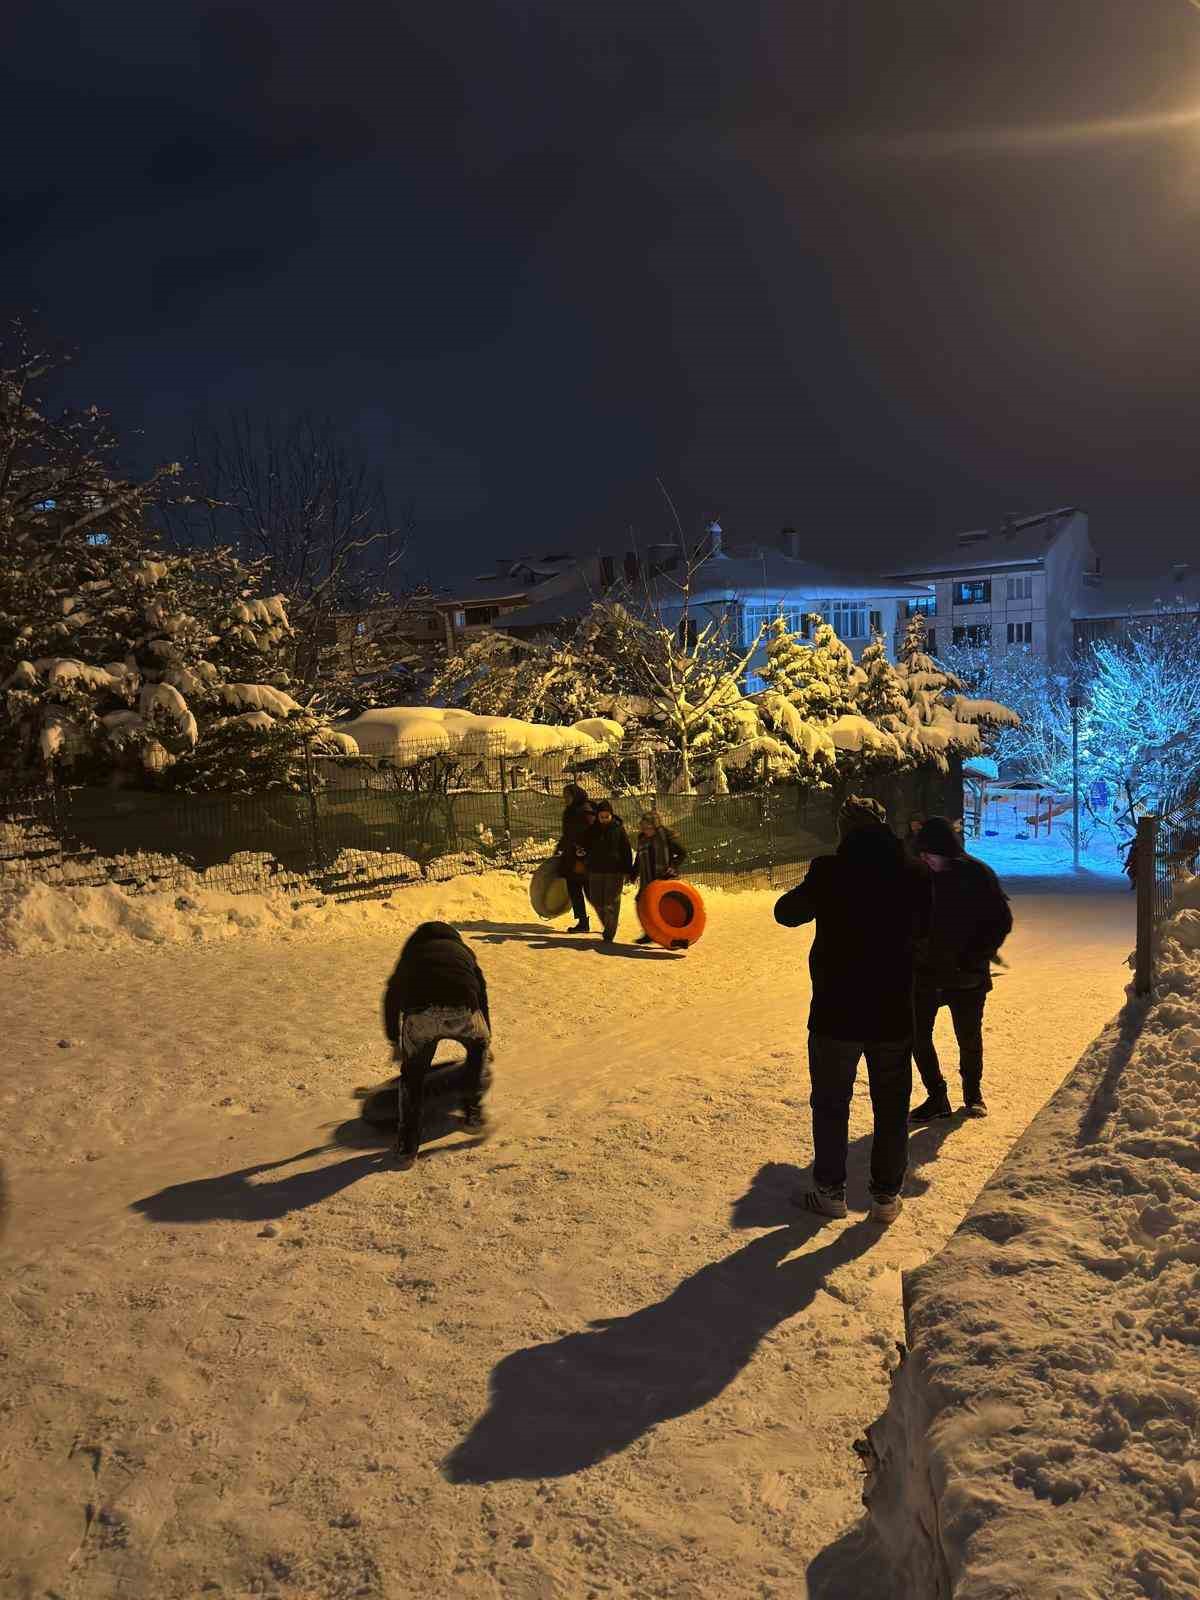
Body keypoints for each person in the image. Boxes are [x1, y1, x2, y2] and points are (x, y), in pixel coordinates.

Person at [773, 795, 931, 1225]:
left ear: (845, 831)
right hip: (893, 1011)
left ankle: (830, 1191)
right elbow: (930, 930)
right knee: (892, 1105)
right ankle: (885, 1197)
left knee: (830, 1103)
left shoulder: (829, 871)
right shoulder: (912, 872)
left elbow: (786, 913)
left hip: (835, 1011)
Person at [909, 816, 1012, 1122]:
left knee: (968, 1036)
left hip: (966, 975)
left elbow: (1000, 921)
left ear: (945, 850)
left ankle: (973, 1094)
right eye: (921, 853)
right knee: (917, 1036)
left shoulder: (977, 874)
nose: (925, 857)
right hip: (925, 974)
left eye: (930, 853)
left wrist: (977, 954)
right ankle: (936, 1095)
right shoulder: (919, 877)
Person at [383, 921, 492, 1167]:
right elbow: (482, 993)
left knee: (412, 1076)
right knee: (477, 1048)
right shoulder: (463, 952)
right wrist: (486, 1038)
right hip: (464, 1009)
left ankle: (407, 1146)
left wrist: (394, 1041)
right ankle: (473, 1113)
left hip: (422, 1015)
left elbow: (391, 997)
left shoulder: (411, 955)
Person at [582, 798, 635, 944]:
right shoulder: (592, 831)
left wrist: (628, 870)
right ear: (598, 816)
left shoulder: (618, 829)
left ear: (611, 815)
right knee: (596, 900)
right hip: (595, 870)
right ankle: (609, 924)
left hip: (614, 871)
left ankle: (610, 932)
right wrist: (583, 854)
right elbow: (585, 846)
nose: (604, 819)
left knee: (611, 902)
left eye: (607, 816)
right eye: (601, 817)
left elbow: (626, 851)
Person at [633, 810, 688, 944]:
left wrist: (672, 867)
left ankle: (676, 934)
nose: (645, 830)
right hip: (647, 879)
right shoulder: (642, 839)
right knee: (642, 902)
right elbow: (640, 859)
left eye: (648, 827)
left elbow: (682, 853)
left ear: (655, 826)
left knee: (666, 907)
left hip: (664, 878)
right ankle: (649, 931)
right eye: (643, 827)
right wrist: (633, 873)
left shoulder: (665, 836)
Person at [556, 783, 596, 932]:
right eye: (564, 796)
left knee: (589, 891)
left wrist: (584, 850)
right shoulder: (570, 811)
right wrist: (560, 847)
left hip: (583, 858)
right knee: (574, 889)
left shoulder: (586, 811)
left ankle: (608, 917)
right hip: (572, 857)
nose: (565, 799)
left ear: (576, 795)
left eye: (568, 796)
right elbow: (568, 835)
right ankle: (583, 922)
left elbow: (593, 835)